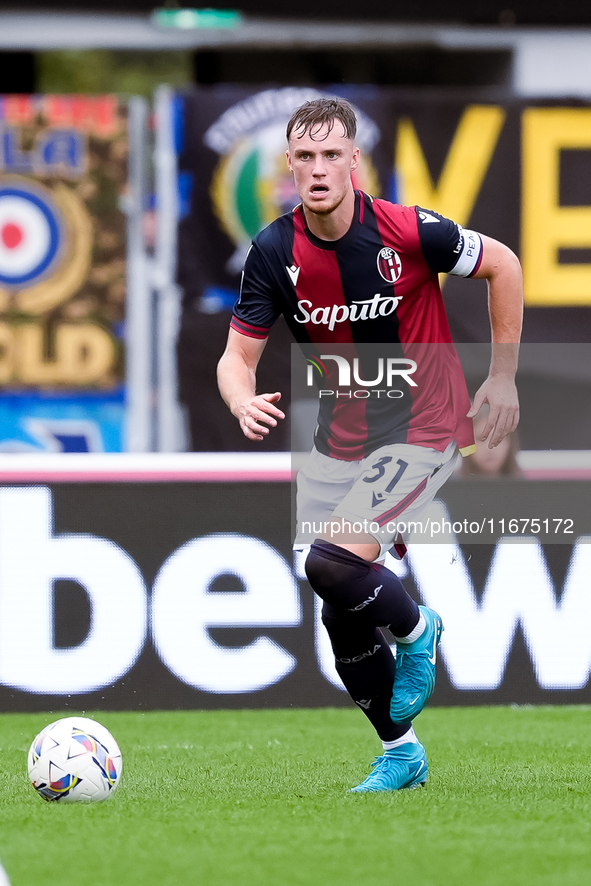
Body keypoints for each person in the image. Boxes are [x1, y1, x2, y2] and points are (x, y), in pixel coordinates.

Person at [217, 97, 523, 792]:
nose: (319, 169)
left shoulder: (408, 231)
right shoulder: (273, 251)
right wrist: (239, 397)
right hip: (344, 440)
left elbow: (502, 264)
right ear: (288, 166)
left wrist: (501, 379)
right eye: (305, 157)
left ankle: (418, 630)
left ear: (354, 162)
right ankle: (401, 753)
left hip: (427, 422)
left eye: (332, 155)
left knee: (328, 564)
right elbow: (236, 359)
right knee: (337, 601)